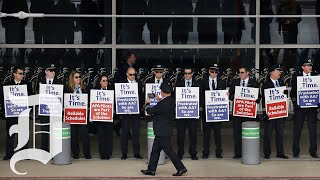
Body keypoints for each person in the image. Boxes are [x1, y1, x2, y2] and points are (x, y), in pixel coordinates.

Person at [141, 82, 187, 176]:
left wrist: (147, 103)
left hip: (162, 131)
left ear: (163, 92)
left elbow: (150, 111)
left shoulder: (163, 103)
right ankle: (151, 170)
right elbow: (161, 108)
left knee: (169, 151)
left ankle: (181, 168)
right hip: (164, 130)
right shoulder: (170, 101)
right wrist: (159, 100)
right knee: (155, 151)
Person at [229, 65, 260, 159]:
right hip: (238, 112)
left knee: (248, 133)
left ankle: (249, 151)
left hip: (249, 112)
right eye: (239, 72)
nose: (240, 74)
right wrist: (234, 97)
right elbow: (230, 95)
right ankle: (238, 153)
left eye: (242, 72)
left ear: (248, 73)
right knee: (237, 133)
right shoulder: (235, 82)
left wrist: (254, 99)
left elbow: (259, 97)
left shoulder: (254, 83)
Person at [1, 67, 32, 160]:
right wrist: (6, 109)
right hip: (11, 114)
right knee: (10, 134)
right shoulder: (6, 85)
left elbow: (31, 97)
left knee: (24, 134)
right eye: (20, 73)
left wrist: (28, 109)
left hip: (23, 114)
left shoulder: (27, 84)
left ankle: (24, 154)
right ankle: (9, 154)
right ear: (14, 74)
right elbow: (2, 100)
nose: (22, 75)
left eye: (23, 74)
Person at [290, 59, 319, 158]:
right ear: (303, 67)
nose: (310, 67)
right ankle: (295, 151)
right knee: (297, 129)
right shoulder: (296, 76)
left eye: (310, 65)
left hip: (312, 107)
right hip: (300, 108)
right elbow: (293, 91)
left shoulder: (315, 75)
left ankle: (313, 151)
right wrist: (295, 102)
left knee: (313, 130)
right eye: (307, 65)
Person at [261, 64, 289, 159]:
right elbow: (264, 101)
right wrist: (265, 113)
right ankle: (267, 153)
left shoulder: (281, 83)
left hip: (280, 113)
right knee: (268, 134)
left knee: (280, 134)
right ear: (272, 72)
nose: (280, 72)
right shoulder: (266, 84)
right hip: (270, 114)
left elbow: (284, 98)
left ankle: (280, 153)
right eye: (278, 71)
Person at [200, 64, 226, 159]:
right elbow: (200, 96)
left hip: (217, 112)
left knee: (217, 134)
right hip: (207, 112)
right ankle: (205, 152)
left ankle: (219, 152)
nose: (214, 73)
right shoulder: (203, 82)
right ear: (209, 71)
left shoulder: (222, 82)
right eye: (212, 71)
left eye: (216, 72)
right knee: (206, 134)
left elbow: (224, 97)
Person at [64, 70, 91, 159]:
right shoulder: (67, 89)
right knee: (73, 136)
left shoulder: (85, 88)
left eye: (79, 77)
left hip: (82, 115)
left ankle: (87, 153)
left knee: (85, 135)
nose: (79, 78)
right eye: (76, 77)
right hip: (72, 115)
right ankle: (75, 153)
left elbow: (90, 100)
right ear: (72, 78)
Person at [175, 67, 199, 160]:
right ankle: (180, 152)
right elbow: (175, 97)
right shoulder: (179, 84)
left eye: (189, 73)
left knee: (193, 133)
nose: (187, 75)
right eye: (185, 73)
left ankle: (193, 152)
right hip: (181, 112)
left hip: (193, 112)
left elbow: (200, 96)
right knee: (180, 134)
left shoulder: (197, 84)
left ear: (192, 74)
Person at [119, 67, 143, 160]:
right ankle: (124, 153)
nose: (132, 76)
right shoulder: (121, 83)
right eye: (130, 74)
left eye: (134, 74)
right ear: (127, 74)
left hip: (135, 112)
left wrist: (140, 108)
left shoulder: (139, 83)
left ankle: (136, 153)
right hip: (125, 112)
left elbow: (140, 97)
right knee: (124, 133)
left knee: (136, 133)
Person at [38, 64, 63, 152]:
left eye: (54, 71)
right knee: (44, 130)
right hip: (44, 110)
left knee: (55, 130)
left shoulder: (59, 82)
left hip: (55, 110)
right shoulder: (40, 82)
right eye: (51, 70)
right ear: (46, 72)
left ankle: (54, 150)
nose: (53, 72)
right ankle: (44, 150)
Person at [93, 74, 114, 160]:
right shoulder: (95, 92)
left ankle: (108, 153)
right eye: (104, 81)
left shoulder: (111, 91)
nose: (105, 82)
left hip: (109, 117)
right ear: (100, 82)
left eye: (106, 81)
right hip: (100, 117)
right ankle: (102, 153)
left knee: (109, 136)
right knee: (101, 136)